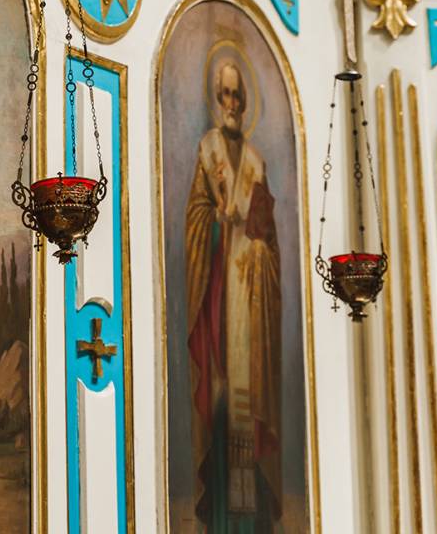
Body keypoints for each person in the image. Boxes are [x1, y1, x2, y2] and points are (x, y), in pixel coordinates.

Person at [184, 60, 282, 532]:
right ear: (214, 98)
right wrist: (217, 221)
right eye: (223, 95)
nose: (231, 104)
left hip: (250, 303)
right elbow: (195, 222)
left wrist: (259, 250)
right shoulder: (207, 152)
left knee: (248, 410)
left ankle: (252, 517)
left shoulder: (258, 164)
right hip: (219, 302)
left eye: (237, 95)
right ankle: (221, 514)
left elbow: (269, 239)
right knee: (223, 406)